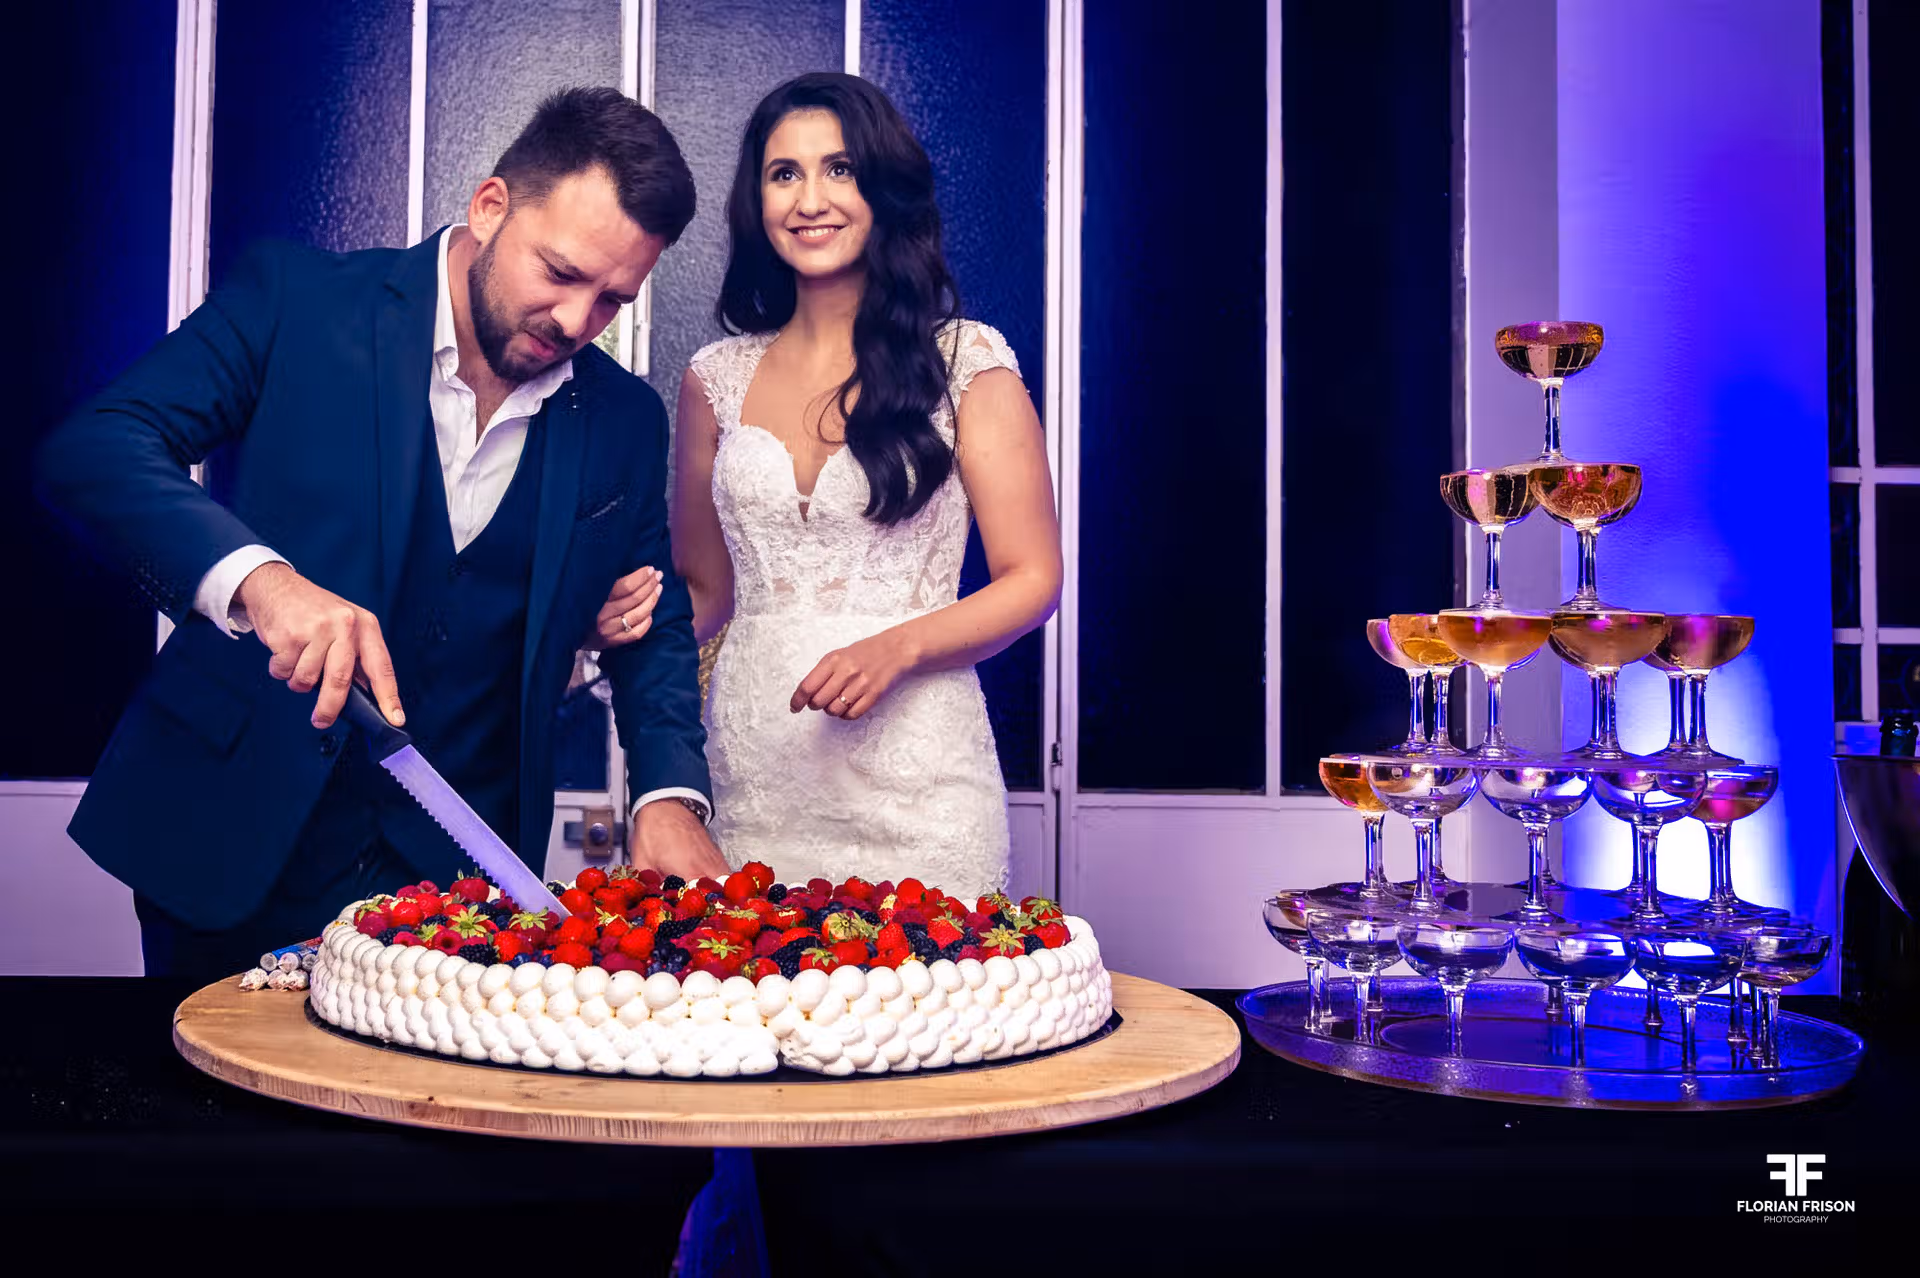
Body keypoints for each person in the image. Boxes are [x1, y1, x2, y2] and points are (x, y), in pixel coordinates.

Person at [37, 87, 730, 987]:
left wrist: (670, 794)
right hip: (229, 837)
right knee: (206, 1129)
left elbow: (657, 626)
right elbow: (95, 448)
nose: (573, 320)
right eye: (559, 273)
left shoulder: (627, 419)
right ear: (489, 208)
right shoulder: (297, 301)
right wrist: (261, 582)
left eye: (610, 301)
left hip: (461, 881)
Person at [668, 72, 1062, 898]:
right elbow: (705, 593)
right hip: (754, 781)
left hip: (920, 783)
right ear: (757, 199)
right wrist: (598, 623)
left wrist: (900, 644)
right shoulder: (714, 379)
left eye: (839, 169)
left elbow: (1035, 578)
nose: (811, 199)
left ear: (883, 188)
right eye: (785, 175)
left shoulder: (967, 363)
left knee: (923, 1023)